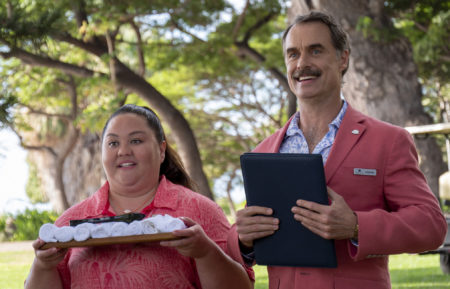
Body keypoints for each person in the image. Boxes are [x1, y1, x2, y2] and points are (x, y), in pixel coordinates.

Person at [227, 11, 448, 289]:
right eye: (293, 54)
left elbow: (431, 225)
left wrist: (356, 226)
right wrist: (243, 237)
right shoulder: (263, 152)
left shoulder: (388, 141)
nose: (302, 63)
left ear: (342, 58)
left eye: (315, 51)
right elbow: (240, 238)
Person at [25, 104, 254, 289]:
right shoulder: (71, 222)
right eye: (113, 143)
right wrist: (43, 266)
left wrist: (206, 253)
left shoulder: (201, 211)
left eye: (136, 140)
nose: (123, 151)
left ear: (161, 150)